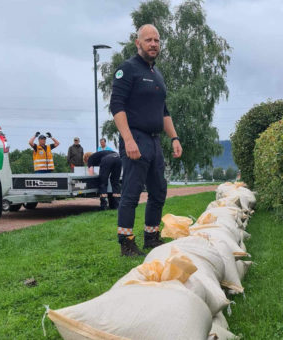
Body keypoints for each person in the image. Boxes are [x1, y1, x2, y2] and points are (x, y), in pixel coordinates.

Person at [109, 24, 182, 256]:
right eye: (148, 40)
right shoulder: (127, 69)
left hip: (154, 141)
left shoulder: (156, 74)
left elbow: (164, 111)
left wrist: (174, 138)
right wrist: (128, 140)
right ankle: (126, 242)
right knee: (131, 191)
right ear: (137, 43)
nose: (153, 44)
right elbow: (116, 106)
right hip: (135, 138)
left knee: (159, 190)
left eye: (157, 40)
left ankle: (151, 236)